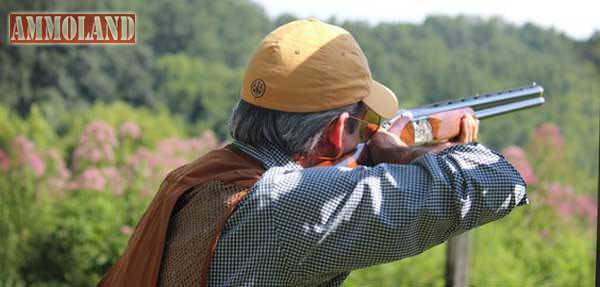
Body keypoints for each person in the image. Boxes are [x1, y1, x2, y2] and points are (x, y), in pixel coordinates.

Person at [99, 19, 527, 287]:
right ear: (338, 131)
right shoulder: (286, 201)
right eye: (364, 123)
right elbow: (494, 181)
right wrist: (396, 151)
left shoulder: (201, 178)